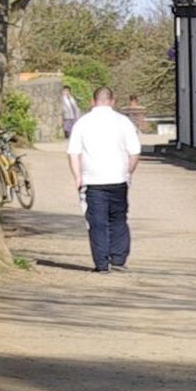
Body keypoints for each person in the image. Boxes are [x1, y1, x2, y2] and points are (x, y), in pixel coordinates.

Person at [65, 92, 145, 272]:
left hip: (92, 180)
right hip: (118, 178)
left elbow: (73, 152)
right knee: (118, 218)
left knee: (97, 222)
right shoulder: (123, 122)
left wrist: (78, 177)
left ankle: (101, 264)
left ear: (92, 101)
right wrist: (128, 172)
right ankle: (118, 259)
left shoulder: (83, 123)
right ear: (113, 101)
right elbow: (134, 151)